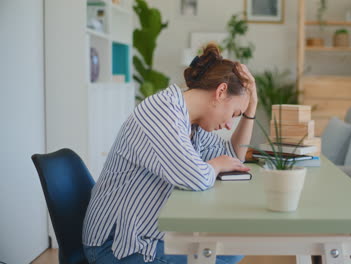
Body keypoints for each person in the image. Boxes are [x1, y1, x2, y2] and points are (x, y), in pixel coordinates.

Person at [82, 43, 257, 264]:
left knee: (234, 249)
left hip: (144, 232)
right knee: (217, 258)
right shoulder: (162, 112)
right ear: (221, 92)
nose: (230, 125)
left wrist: (251, 108)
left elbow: (233, 157)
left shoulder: (193, 123)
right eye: (234, 113)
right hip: (117, 244)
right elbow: (197, 177)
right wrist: (217, 165)